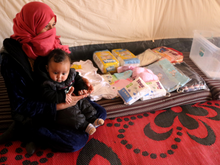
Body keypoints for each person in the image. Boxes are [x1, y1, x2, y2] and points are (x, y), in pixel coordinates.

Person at [0, 1, 106, 154]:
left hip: (60, 94)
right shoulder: (12, 59)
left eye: (53, 25)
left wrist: (81, 83)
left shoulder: (53, 43)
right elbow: (20, 105)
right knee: (76, 141)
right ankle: (27, 130)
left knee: (100, 113)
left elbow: (67, 71)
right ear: (31, 26)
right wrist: (61, 106)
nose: (52, 31)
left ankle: (66, 126)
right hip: (39, 108)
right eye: (46, 26)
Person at [34, 48, 104, 135]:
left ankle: (92, 119)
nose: (59, 77)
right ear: (47, 68)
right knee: (71, 114)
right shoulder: (47, 82)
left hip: (74, 98)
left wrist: (81, 89)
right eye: (55, 73)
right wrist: (63, 96)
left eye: (63, 73)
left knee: (84, 103)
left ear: (69, 69)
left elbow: (78, 80)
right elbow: (46, 95)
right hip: (62, 107)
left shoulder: (71, 74)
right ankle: (84, 125)